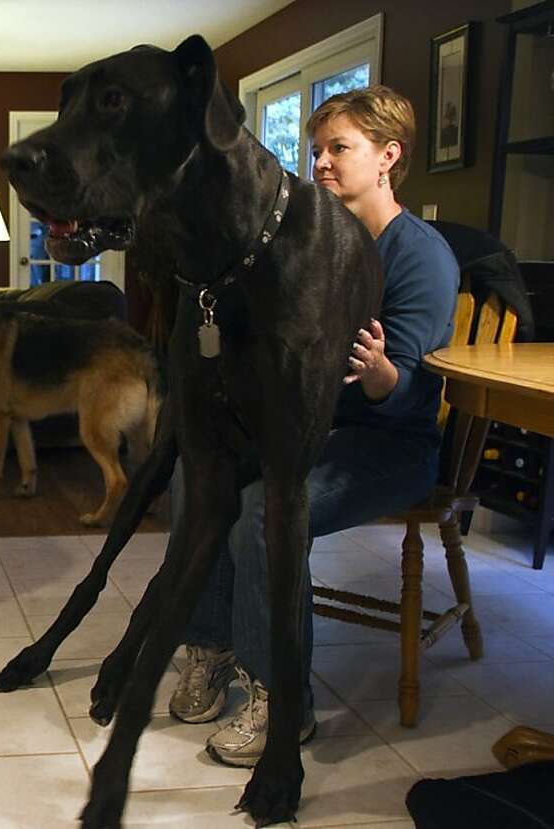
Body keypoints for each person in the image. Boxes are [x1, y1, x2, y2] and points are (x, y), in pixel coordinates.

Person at [167, 85, 460, 766]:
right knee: (197, 470)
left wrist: (383, 370)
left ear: (389, 156)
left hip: (391, 442)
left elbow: (407, 386)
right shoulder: (313, 239)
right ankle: (210, 646)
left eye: (339, 149)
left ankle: (283, 699)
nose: (321, 163)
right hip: (311, 425)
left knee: (263, 512)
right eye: (316, 150)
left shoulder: (422, 256)